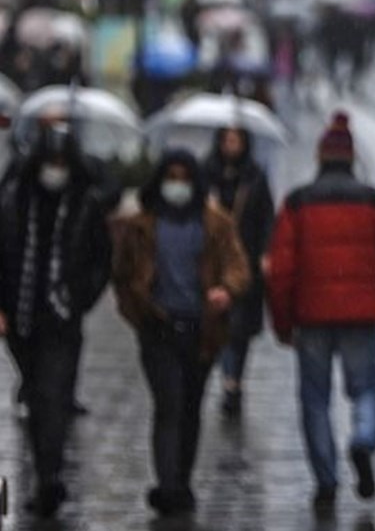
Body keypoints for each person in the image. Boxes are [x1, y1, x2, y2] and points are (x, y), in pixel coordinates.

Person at [267, 111, 375, 515]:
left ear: (319, 158)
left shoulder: (297, 203)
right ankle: (363, 439)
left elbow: (281, 271)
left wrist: (281, 321)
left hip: (311, 317)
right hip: (363, 313)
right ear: (350, 159)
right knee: (366, 388)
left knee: (315, 399)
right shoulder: (373, 200)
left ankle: (326, 481)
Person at [111, 149, 250, 516]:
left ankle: (182, 479)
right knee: (168, 405)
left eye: (183, 177)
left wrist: (226, 290)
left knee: (189, 407)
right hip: (158, 329)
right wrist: (137, 311)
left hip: (201, 331)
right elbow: (123, 274)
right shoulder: (143, 225)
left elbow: (237, 265)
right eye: (170, 176)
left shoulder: (215, 223)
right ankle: (168, 485)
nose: (177, 185)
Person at [0, 124, 112, 517]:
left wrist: (80, 298)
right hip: (21, 318)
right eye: (51, 162)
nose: (56, 170)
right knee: (36, 393)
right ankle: (46, 470)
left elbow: (102, 259)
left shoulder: (86, 204)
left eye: (63, 162)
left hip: (63, 320)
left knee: (54, 395)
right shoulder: (14, 201)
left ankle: (49, 476)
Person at [205, 127, 275, 418]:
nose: (231, 145)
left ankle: (233, 381)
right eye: (226, 140)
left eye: (236, 140)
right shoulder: (205, 173)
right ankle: (229, 380)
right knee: (220, 324)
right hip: (212, 262)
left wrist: (265, 253)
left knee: (240, 327)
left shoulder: (255, 176)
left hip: (244, 262)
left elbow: (266, 217)